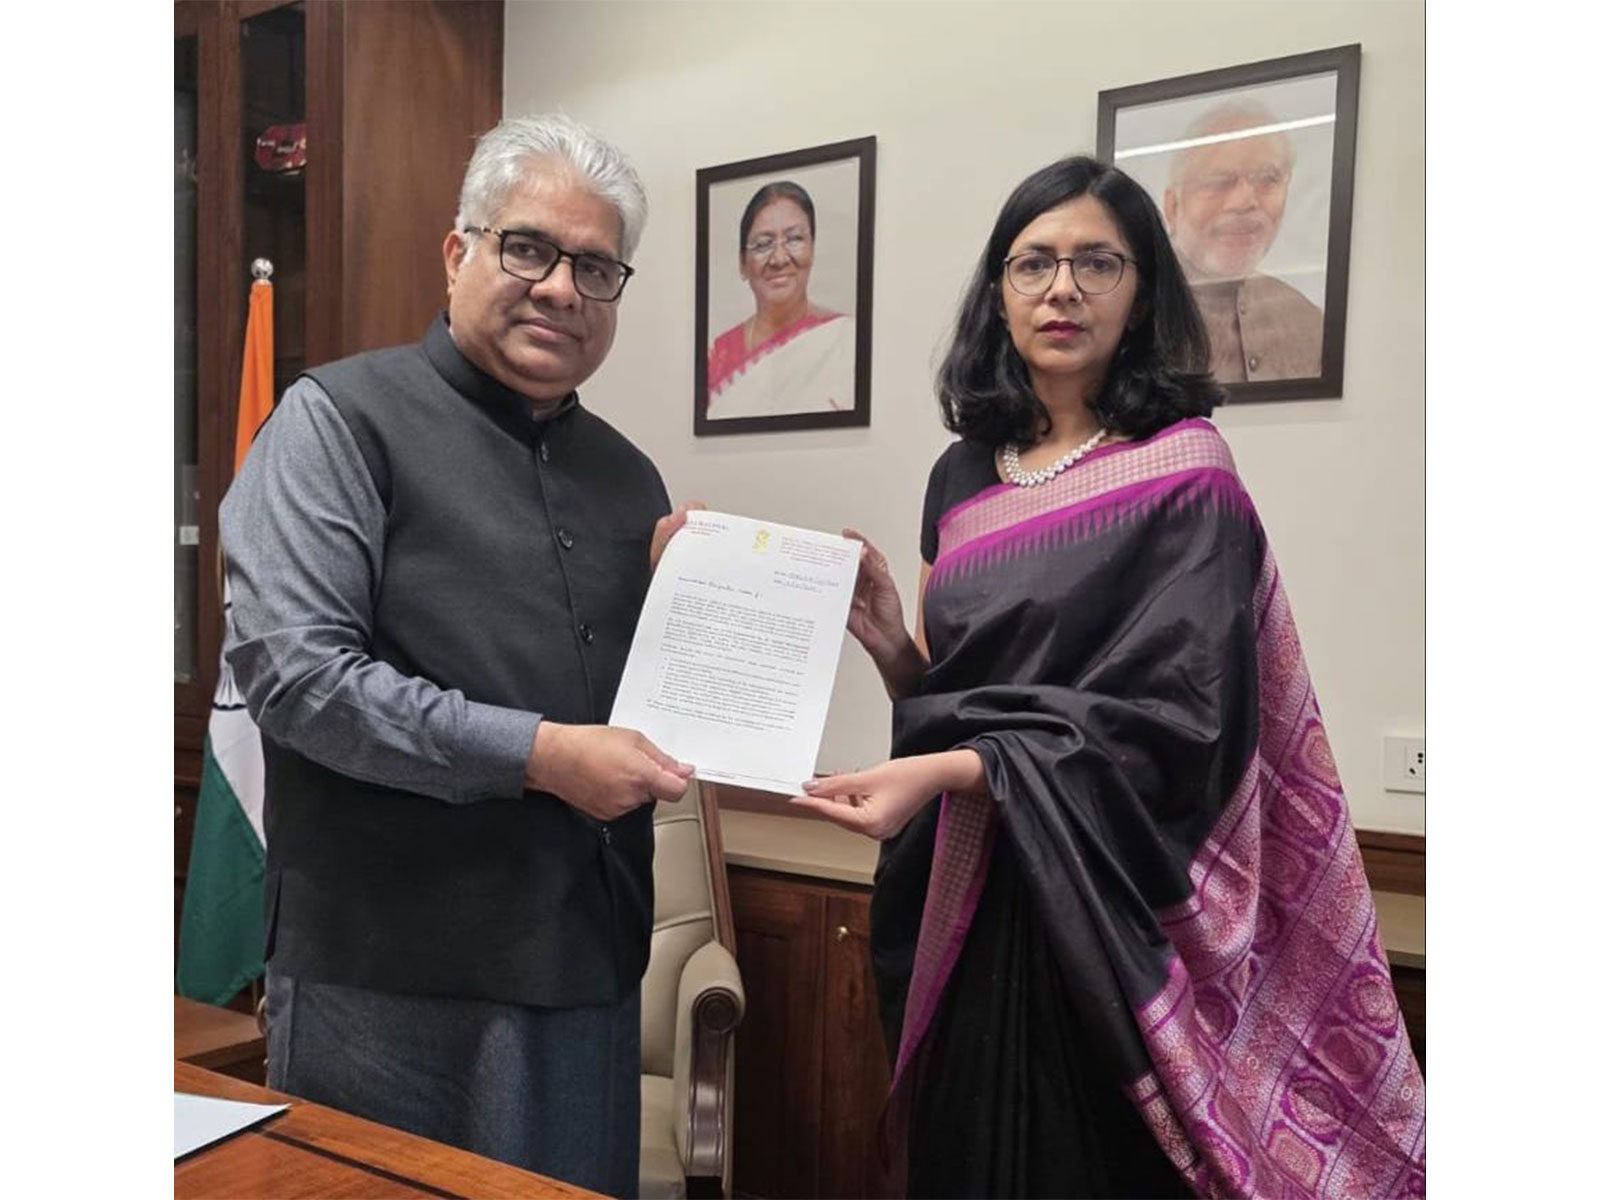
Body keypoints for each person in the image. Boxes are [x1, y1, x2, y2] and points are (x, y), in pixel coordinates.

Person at [792, 156, 1425, 1197]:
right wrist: (890, 646)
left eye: (1097, 262)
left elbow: (1182, 728)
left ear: (1141, 293)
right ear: (997, 291)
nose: (1063, 288)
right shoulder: (959, 477)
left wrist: (959, 771)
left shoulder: (1187, 472)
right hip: (968, 893)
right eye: (1033, 262)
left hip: (1108, 913)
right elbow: (956, 696)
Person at [219, 114, 699, 1198]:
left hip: (586, 972)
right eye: (527, 248)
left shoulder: (629, 480)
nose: (561, 288)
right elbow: (301, 680)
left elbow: (630, 716)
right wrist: (537, 755)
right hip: (389, 982)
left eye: (594, 266)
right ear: (458, 253)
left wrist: (690, 617)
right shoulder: (335, 420)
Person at [1163, 99, 1324, 383]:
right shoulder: (1125, 317)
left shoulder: (1310, 324)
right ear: (1172, 207)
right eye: (1218, 181)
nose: (1245, 201)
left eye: (1267, 179)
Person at [705, 179, 855, 418]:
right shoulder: (717, 357)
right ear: (743, 264)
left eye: (794, 239)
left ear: (812, 249)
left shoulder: (844, 342)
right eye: (763, 244)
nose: (779, 258)